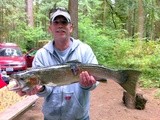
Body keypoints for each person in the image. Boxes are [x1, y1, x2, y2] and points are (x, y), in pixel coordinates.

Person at [17, 7, 98, 120]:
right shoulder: (41, 54)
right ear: (50, 28)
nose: (60, 25)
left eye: (64, 22)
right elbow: (45, 91)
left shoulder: (84, 50)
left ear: (71, 27)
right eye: (56, 22)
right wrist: (41, 89)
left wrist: (88, 85)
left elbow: (95, 81)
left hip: (80, 117)